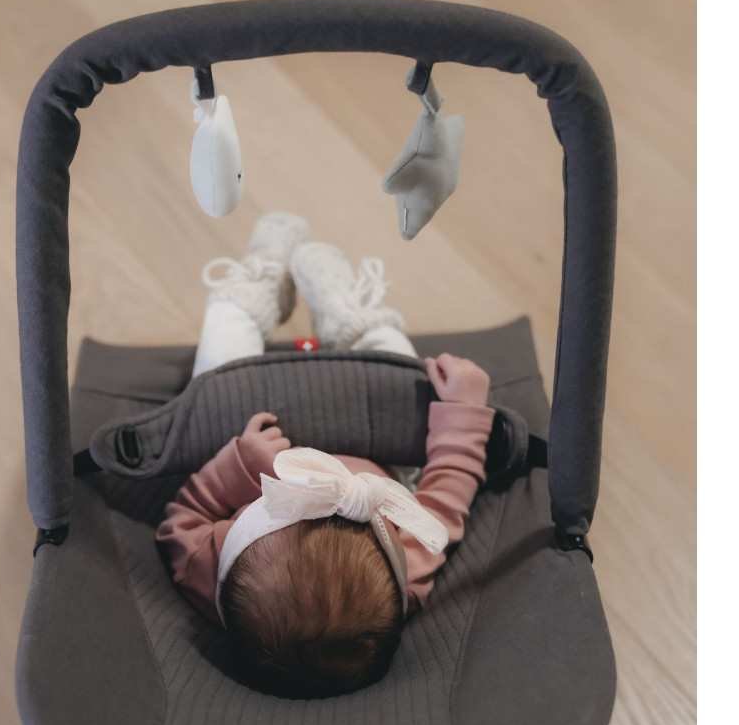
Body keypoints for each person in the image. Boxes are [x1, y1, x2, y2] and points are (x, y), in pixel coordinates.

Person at [156, 214, 494, 698]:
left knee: (215, 371)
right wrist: (463, 410)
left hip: (254, 432)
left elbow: (184, 517)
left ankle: (252, 292)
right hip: (379, 441)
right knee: (410, 376)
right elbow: (447, 493)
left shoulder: (210, 573)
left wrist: (237, 468)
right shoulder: (404, 570)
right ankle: (355, 323)